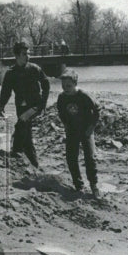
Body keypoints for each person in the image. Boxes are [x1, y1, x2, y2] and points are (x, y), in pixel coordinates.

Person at [0, 41, 50, 171]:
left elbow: (46, 84)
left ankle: (16, 152)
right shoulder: (11, 73)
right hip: (20, 106)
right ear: (16, 55)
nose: (27, 56)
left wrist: (43, 103)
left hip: (35, 105)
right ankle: (34, 164)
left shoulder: (34, 69)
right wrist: (1, 105)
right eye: (24, 54)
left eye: (28, 53)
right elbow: (5, 91)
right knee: (27, 137)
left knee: (21, 124)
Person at [55, 69, 100, 197]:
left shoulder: (83, 96)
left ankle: (94, 185)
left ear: (75, 84)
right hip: (72, 131)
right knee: (71, 158)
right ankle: (78, 185)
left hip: (86, 130)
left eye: (68, 86)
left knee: (90, 158)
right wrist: (66, 125)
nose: (65, 88)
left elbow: (97, 110)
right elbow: (61, 113)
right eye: (63, 86)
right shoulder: (62, 98)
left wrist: (91, 127)